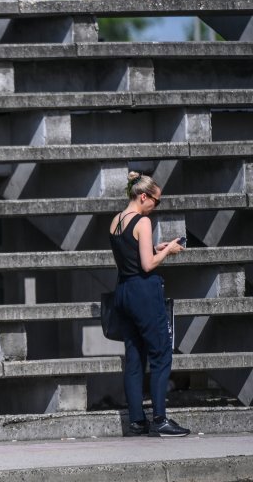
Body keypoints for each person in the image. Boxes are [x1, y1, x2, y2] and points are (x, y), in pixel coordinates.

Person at [109, 171, 189, 438]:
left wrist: (156, 247)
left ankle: (136, 422)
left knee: (134, 358)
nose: (156, 206)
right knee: (161, 353)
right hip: (143, 293)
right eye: (156, 201)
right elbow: (146, 265)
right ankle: (160, 420)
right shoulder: (142, 222)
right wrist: (167, 251)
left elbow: (131, 257)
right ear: (143, 196)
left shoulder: (116, 221)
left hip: (123, 292)